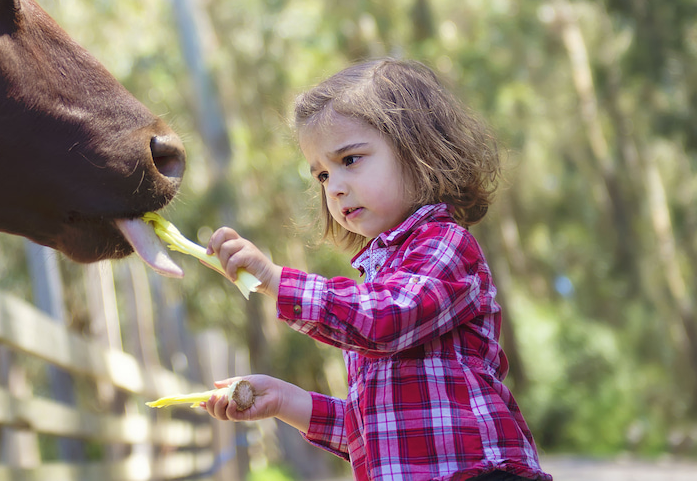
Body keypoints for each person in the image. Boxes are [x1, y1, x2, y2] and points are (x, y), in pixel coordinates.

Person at [202, 58, 550, 481]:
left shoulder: (446, 246)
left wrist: (276, 281)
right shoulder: (381, 274)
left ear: (418, 150)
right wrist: (284, 400)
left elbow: (385, 320)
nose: (335, 187)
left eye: (350, 159)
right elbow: (379, 432)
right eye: (323, 175)